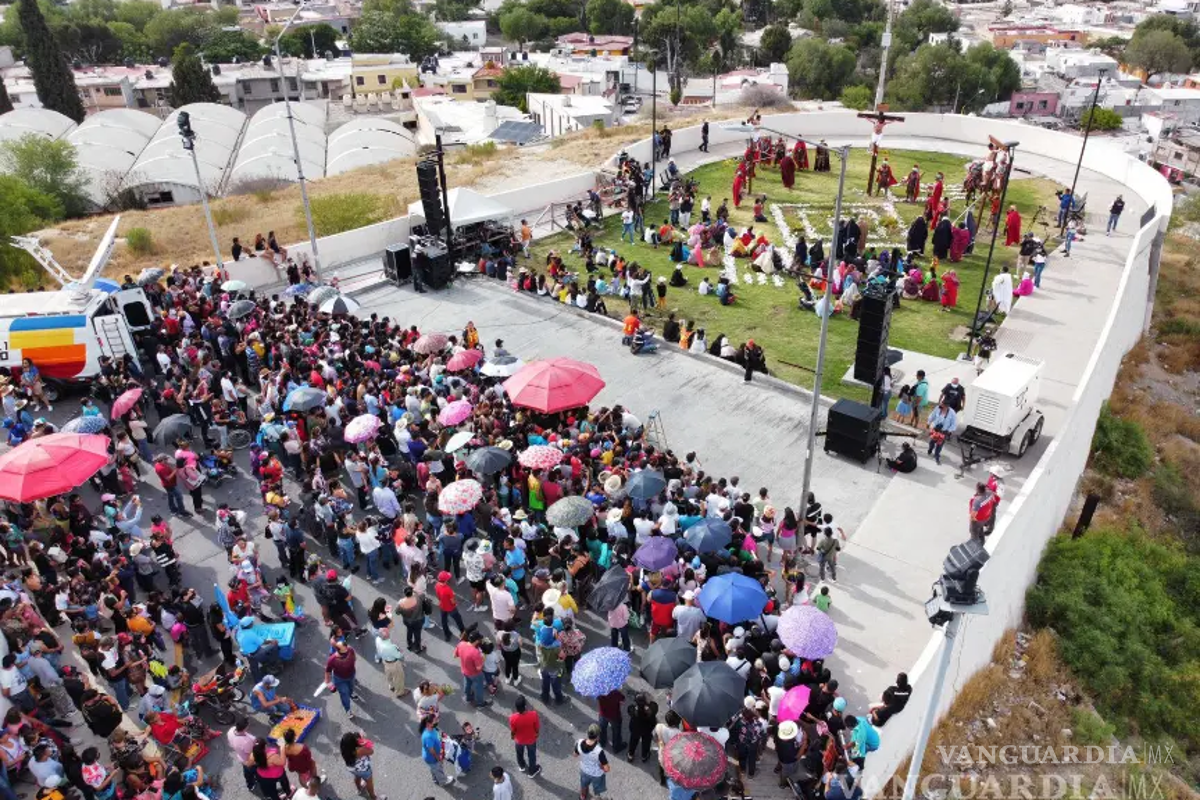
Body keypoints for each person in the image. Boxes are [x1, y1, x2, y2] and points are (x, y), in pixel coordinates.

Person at [341, 732, 385, 800]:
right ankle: (374, 797)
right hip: (363, 769)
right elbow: (371, 751)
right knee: (369, 782)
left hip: (352, 769)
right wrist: (363, 740)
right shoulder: (359, 750)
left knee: (357, 776)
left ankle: (359, 789)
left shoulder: (344, 750)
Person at [324, 639, 360, 718]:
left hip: (351, 675)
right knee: (344, 694)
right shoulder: (332, 659)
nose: (347, 652)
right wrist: (328, 683)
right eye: (344, 652)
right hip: (340, 680)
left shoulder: (350, 649)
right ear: (338, 650)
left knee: (351, 687)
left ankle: (351, 694)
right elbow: (327, 671)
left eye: (346, 649)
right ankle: (348, 710)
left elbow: (354, 658)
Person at [508, 696, 542, 777]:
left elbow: (513, 730)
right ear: (525, 706)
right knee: (531, 755)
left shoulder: (512, 718)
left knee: (519, 753)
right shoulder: (533, 715)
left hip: (519, 740)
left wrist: (512, 736)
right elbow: (537, 727)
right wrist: (537, 733)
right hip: (531, 739)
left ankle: (522, 766)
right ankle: (532, 771)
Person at [576, 724, 610, 800]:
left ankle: (582, 796)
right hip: (596, 775)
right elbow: (607, 769)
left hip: (584, 770)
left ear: (587, 733)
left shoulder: (579, 742)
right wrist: (601, 767)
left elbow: (575, 754)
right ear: (597, 737)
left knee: (584, 785)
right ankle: (596, 798)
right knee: (597, 789)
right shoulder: (599, 751)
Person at [420, 716, 452, 787]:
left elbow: (437, 736)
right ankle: (443, 781)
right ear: (429, 724)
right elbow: (432, 751)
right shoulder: (428, 737)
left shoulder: (432, 728)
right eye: (435, 720)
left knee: (434, 769)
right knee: (438, 769)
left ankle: (435, 779)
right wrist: (439, 759)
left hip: (433, 755)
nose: (437, 721)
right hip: (432, 758)